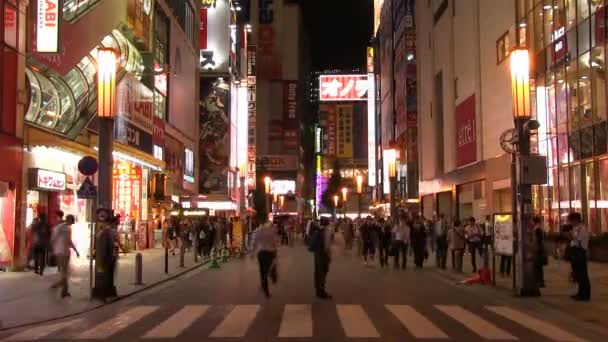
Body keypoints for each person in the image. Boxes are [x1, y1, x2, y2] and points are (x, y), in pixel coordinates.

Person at [50, 215, 79, 298]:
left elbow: (69, 241)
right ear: (69, 219)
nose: (73, 223)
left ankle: (61, 287)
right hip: (60, 252)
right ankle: (62, 289)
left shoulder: (69, 229)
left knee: (65, 272)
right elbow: (53, 238)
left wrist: (75, 250)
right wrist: (52, 250)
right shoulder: (59, 227)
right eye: (72, 221)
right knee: (64, 272)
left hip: (66, 252)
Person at [252, 215, 278, 297]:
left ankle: (266, 290)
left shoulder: (257, 230)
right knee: (271, 265)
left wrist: (252, 252)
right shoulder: (271, 230)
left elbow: (254, 243)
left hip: (261, 253)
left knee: (263, 273)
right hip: (270, 252)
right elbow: (275, 241)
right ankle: (272, 273)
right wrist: (275, 250)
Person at [567, 213, 590, 301]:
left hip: (580, 252)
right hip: (575, 252)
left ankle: (585, 295)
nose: (570, 222)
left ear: (576, 219)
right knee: (578, 274)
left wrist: (571, 236)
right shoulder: (575, 228)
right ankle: (580, 293)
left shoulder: (582, 228)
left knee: (582, 274)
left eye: (571, 220)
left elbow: (578, 240)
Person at [309, 217, 332, 299]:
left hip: (323, 254)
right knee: (320, 272)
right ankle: (320, 291)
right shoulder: (319, 232)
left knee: (323, 272)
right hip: (320, 255)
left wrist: (329, 255)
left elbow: (328, 244)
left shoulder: (326, 231)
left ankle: (320, 290)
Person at [533, 216, 547, 288]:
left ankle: (540, 281)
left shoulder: (537, 229)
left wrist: (537, 248)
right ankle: (539, 281)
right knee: (538, 266)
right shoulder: (539, 228)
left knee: (537, 266)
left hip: (538, 250)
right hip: (538, 249)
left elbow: (538, 240)